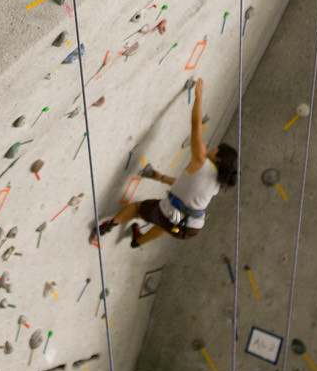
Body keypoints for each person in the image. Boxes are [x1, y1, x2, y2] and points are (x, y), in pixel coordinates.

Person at [91, 79, 238, 247]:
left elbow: (196, 124)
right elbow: (185, 187)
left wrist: (199, 94)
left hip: (173, 216)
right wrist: (161, 178)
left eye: (216, 149)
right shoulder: (217, 183)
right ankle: (138, 241)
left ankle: (106, 226)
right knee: (166, 223)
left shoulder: (202, 161)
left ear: (219, 158)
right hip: (190, 230)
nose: (212, 149)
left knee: (139, 209)